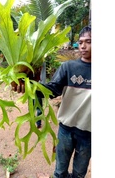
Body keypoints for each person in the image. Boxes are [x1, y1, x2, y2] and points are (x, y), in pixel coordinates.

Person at [42, 26, 91, 178]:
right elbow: (52, 90)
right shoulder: (68, 67)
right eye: (81, 42)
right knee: (60, 172)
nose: (83, 46)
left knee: (79, 174)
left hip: (89, 134)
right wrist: (30, 87)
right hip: (66, 130)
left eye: (88, 42)